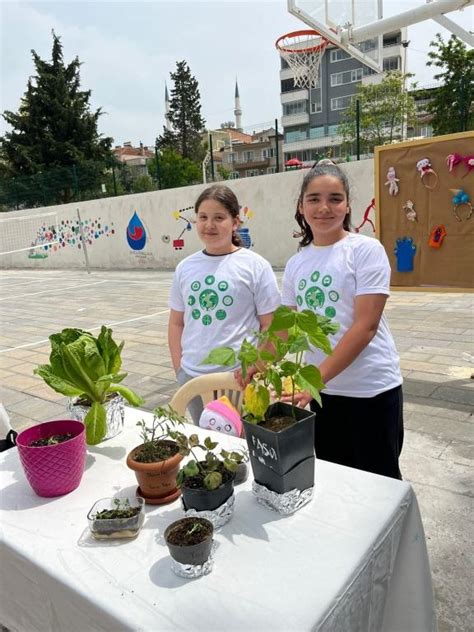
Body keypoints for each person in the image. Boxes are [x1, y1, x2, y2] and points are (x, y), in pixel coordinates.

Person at [281, 162, 404, 479]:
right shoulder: (297, 263)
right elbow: (286, 324)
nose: (324, 208)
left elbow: (365, 327)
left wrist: (313, 381)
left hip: (371, 391)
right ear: (301, 206)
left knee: (379, 483)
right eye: (314, 198)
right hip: (325, 395)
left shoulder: (365, 251)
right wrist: (258, 360)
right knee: (336, 478)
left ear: (348, 205)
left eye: (335, 198)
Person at [168, 184, 280, 423]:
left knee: (243, 444)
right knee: (207, 447)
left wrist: (256, 365)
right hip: (193, 378)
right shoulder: (185, 268)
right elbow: (177, 322)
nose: (210, 225)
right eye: (203, 217)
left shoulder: (255, 266)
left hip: (239, 378)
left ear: (235, 222)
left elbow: (270, 324)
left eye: (219, 217)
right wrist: (180, 369)